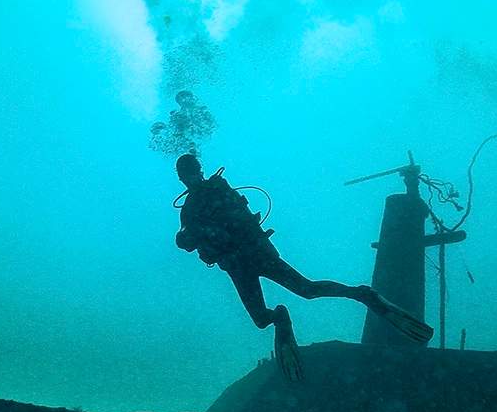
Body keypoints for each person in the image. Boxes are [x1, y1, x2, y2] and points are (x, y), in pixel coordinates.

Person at [173, 153, 433, 381]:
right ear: (182, 178)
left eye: (192, 172)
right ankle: (283, 318)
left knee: (307, 289)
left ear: (198, 170)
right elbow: (190, 239)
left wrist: (196, 233)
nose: (190, 178)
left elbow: (224, 221)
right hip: (238, 266)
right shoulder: (190, 209)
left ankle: (362, 294)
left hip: (255, 255)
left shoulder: (217, 190)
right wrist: (186, 238)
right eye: (186, 175)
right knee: (263, 318)